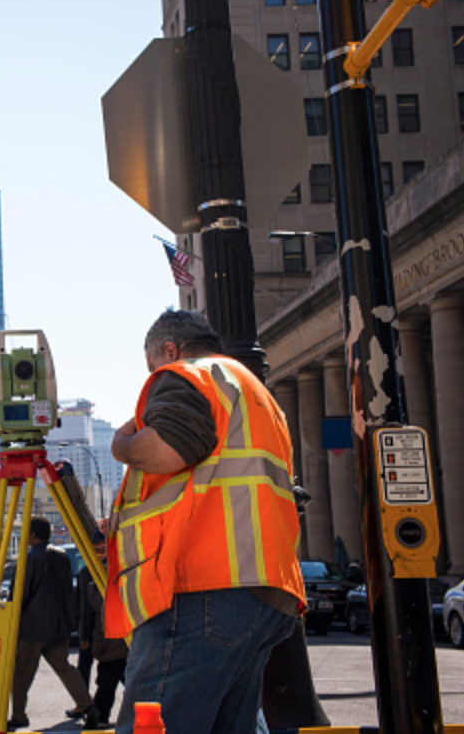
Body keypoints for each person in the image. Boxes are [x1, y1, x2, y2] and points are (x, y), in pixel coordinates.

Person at [106, 309, 305, 734]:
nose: (155, 376)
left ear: (170, 350)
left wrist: (121, 444)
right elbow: (216, 482)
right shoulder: (255, 395)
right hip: (265, 587)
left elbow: (168, 450)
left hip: (203, 588)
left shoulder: (190, 374)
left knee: (153, 726)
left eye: (153, 365)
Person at [9, 515, 98, 731]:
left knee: (21, 673)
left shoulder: (29, 559)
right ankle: (89, 707)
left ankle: (19, 715)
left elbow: (21, 593)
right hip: (59, 625)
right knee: (65, 668)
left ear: (33, 534)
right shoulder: (62, 556)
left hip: (32, 627)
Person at [76, 524, 128, 727]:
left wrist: (85, 636)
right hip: (117, 635)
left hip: (110, 636)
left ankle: (98, 716)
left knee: (109, 680)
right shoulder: (115, 568)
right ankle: (99, 715)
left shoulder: (92, 574)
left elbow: (88, 609)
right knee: (121, 679)